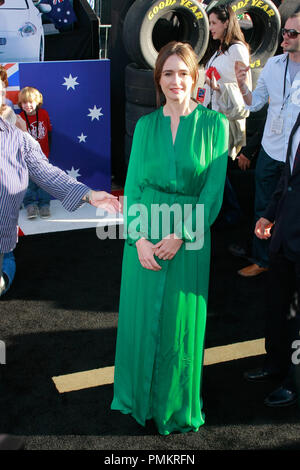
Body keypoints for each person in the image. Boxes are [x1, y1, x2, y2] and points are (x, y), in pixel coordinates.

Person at [111, 41, 229, 435]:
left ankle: (175, 406)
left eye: (182, 72)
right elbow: (133, 186)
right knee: (141, 321)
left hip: (190, 239)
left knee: (180, 326)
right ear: (158, 79)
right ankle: (136, 399)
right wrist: (139, 239)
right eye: (167, 73)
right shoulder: (145, 126)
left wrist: (181, 234)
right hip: (144, 238)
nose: (175, 80)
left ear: (194, 76)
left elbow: (212, 192)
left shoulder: (215, 126)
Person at [0, 79, 120, 297]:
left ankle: (5, 276)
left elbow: (46, 174)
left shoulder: (18, 138)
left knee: (5, 262)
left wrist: (88, 194)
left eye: (1, 91)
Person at [235, 11, 300, 277]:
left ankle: (285, 262)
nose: (284, 37)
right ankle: (262, 260)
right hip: (271, 151)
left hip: (296, 157)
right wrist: (242, 85)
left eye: (292, 33)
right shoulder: (273, 65)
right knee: (263, 206)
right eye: (284, 31)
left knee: (291, 211)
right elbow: (255, 102)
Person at [244, 112, 300, 407]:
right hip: (285, 235)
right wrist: (269, 213)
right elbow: (288, 177)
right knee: (278, 308)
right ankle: (275, 364)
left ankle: (295, 382)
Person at [202, 4, 251, 159]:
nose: (210, 28)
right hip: (210, 116)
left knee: (219, 169)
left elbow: (246, 90)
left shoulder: (237, 49)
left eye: (214, 23)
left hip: (225, 121)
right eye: (209, 23)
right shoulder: (219, 48)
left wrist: (219, 88)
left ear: (226, 23)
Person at [18, 87, 53, 219]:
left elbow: (49, 133)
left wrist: (47, 152)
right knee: (29, 183)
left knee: (44, 182)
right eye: (24, 103)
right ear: (20, 104)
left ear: (38, 102)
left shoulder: (44, 114)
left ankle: (44, 205)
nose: (28, 105)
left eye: (31, 102)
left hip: (42, 156)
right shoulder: (19, 117)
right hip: (26, 157)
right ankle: (30, 205)